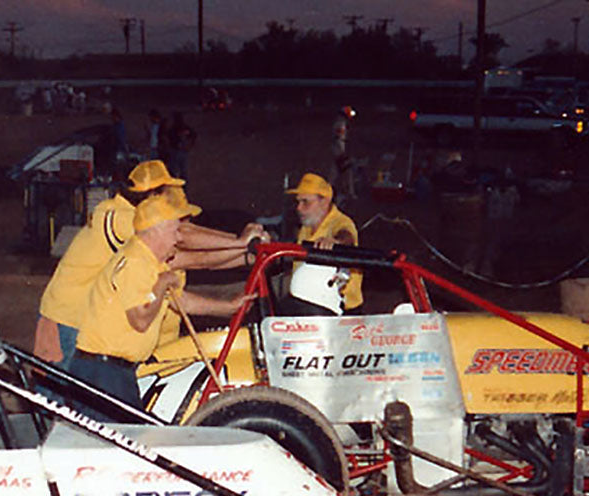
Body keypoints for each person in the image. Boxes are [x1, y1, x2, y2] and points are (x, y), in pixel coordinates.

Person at [34, 159, 254, 364]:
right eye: (163, 196)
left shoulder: (141, 230)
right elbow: (188, 245)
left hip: (86, 321)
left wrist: (245, 252)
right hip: (68, 318)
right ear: (152, 195)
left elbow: (193, 254)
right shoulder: (118, 216)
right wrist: (241, 243)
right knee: (57, 401)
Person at [64, 188, 249, 422]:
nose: (179, 238)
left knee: (129, 442)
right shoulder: (135, 263)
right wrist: (161, 285)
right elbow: (140, 320)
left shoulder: (152, 262)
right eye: (175, 231)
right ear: (158, 231)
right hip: (103, 372)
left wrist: (229, 307)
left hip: (114, 371)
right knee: (123, 447)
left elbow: (181, 301)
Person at [286, 172, 362, 312]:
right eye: (298, 202)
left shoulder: (340, 221)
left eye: (305, 202)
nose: (298, 208)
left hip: (341, 309)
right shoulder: (307, 226)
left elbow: (347, 237)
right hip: (308, 302)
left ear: (325, 201)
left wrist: (336, 242)